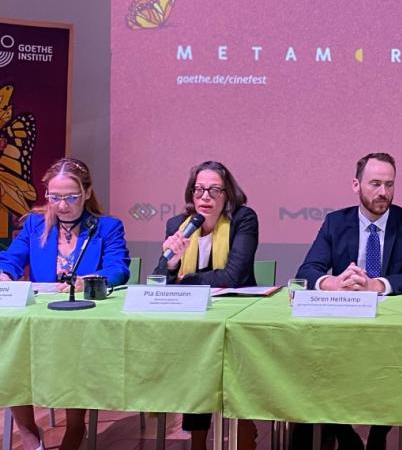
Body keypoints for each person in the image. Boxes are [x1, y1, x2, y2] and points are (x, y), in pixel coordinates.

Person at [293, 152, 402, 450]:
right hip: (343, 328)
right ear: (356, 185)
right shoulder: (335, 222)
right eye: (375, 184)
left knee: (395, 372)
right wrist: (333, 283)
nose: (383, 192)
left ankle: (378, 436)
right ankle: (345, 436)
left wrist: (375, 285)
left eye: (389, 185)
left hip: (391, 330)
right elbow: (308, 271)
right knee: (312, 368)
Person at [0, 157, 130, 450]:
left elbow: (118, 268)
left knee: (74, 351)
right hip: (40, 319)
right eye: (54, 197)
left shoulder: (107, 227)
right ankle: (29, 434)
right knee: (9, 350)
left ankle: (75, 428)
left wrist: (93, 279)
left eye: (70, 197)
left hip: (81, 321)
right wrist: (4, 273)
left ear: (87, 192)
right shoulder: (35, 225)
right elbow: (10, 258)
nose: (61, 205)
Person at [152, 160, 258, 450]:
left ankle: (243, 430)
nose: (205, 197)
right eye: (199, 190)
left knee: (230, 367)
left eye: (214, 190)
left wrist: (183, 281)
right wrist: (171, 263)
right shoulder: (178, 225)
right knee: (194, 363)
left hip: (234, 315)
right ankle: (197, 441)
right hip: (193, 319)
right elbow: (158, 281)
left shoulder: (243, 219)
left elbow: (233, 278)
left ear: (227, 194)